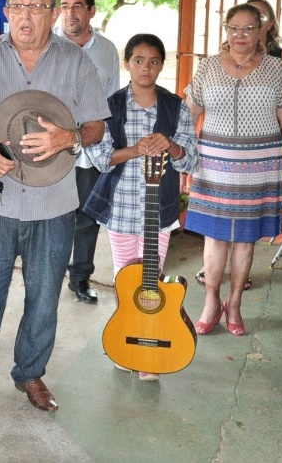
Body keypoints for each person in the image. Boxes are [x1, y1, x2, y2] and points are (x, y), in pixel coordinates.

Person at [0, 0, 109, 421]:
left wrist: (70, 136)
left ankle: (30, 373)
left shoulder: (76, 62)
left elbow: (96, 126)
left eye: (36, 5)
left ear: (54, 11)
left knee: (43, 298)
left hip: (54, 205)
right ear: (7, 11)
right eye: (16, 5)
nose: (24, 14)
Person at [84, 33, 198, 380]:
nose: (145, 68)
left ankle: (151, 341)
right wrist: (136, 150)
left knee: (153, 279)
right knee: (124, 280)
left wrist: (172, 146)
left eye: (153, 62)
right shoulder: (110, 106)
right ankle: (126, 341)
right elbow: (100, 158)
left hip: (158, 211)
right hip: (121, 208)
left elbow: (190, 160)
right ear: (126, 63)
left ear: (162, 65)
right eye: (138, 61)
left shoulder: (176, 107)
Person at [184, 3, 282, 337]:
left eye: (248, 28)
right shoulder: (207, 68)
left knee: (246, 241)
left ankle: (234, 303)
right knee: (214, 238)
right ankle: (211, 301)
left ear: (261, 30)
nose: (240, 35)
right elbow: (189, 114)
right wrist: (182, 155)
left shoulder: (276, 69)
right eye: (234, 28)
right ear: (226, 30)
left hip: (259, 167)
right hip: (213, 165)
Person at [54, 0, 120, 304]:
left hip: (91, 150)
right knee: (52, 214)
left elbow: (111, 103)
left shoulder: (107, 50)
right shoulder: (46, 45)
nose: (70, 13)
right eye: (64, 6)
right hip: (52, 148)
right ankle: (48, 275)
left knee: (87, 216)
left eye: (77, 5)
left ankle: (79, 278)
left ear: (91, 10)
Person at [247, 0, 282, 83]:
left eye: (260, 17)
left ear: (270, 25)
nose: (253, 21)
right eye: (249, 16)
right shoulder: (227, 54)